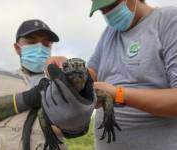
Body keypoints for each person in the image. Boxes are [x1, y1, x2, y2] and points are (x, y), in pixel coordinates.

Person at [47, 0, 177, 149]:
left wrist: (118, 94)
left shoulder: (169, 20)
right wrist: (69, 70)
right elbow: (92, 75)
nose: (109, 13)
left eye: (112, 5)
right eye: (103, 10)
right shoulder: (109, 33)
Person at [0, 19, 66, 150]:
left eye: (46, 44)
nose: (40, 48)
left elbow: (74, 125)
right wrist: (26, 99)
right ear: (17, 48)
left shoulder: (59, 82)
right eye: (32, 42)